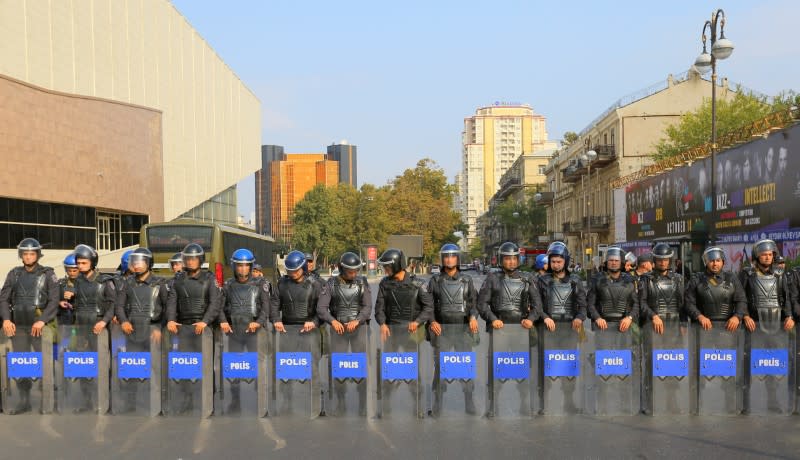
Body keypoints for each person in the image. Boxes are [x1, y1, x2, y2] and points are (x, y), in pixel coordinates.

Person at [0, 238, 60, 414]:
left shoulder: (48, 274)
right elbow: (3, 298)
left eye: (32, 253)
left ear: (38, 255)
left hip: (40, 326)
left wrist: (42, 320)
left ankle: (48, 400)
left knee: (45, 363)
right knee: (22, 364)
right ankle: (24, 400)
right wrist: (6, 319)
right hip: (19, 326)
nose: (28, 257)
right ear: (21, 255)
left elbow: (54, 300)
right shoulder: (14, 274)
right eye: (25, 254)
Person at [478, 242, 539, 414]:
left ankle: (524, 403)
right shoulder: (492, 278)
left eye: (514, 258)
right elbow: (482, 304)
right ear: (501, 259)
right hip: (500, 330)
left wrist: (531, 319)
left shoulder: (528, 279)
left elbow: (537, 305)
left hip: (521, 330)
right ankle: (493, 404)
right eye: (507, 258)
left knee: (522, 367)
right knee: (496, 367)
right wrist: (492, 319)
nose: (511, 262)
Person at [166, 243, 227, 414]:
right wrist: (171, 320)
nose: (191, 262)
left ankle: (209, 400)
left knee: (206, 365)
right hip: (184, 329)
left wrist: (205, 321)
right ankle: (188, 399)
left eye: (194, 259)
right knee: (186, 364)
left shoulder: (210, 279)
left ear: (200, 260)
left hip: (204, 329)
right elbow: (172, 301)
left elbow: (215, 303)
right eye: (188, 259)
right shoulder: (178, 280)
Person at [374, 248, 433, 415]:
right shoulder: (385, 284)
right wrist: (382, 323)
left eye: (387, 266)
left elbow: (428, 307)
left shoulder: (418, 284)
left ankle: (418, 405)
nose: (385, 269)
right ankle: (385, 405)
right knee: (389, 370)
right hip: (391, 333)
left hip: (411, 333)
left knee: (412, 370)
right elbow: (380, 308)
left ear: (397, 265)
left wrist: (417, 321)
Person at [316, 252, 372, 416]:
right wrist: (333, 321)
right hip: (338, 329)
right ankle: (340, 401)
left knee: (360, 367)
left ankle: (363, 402)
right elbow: (321, 308)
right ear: (342, 269)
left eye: (356, 271)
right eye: (350, 271)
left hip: (358, 329)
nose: (353, 274)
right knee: (339, 367)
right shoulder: (331, 284)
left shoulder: (362, 283)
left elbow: (367, 307)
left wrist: (358, 320)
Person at [114, 248, 168, 412]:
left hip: (153, 332)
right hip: (133, 332)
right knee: (132, 368)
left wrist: (160, 328)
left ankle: (158, 402)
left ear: (148, 263)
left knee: (156, 368)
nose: (136, 265)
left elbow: (169, 309)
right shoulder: (127, 283)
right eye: (134, 262)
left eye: (140, 262)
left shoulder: (160, 283)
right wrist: (123, 321)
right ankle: (131, 402)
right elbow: (119, 306)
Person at [427, 243, 479, 415]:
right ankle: (438, 402)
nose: (449, 259)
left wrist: (473, 317)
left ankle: (469, 401)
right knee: (440, 367)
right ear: (442, 259)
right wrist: (432, 321)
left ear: (458, 258)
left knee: (465, 367)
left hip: (462, 330)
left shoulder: (467, 280)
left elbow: (474, 304)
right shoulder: (435, 281)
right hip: (442, 331)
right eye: (446, 256)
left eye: (453, 256)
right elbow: (428, 305)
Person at [270, 250, 324, 412]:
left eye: (296, 270)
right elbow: (274, 305)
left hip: (309, 331)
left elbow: (322, 309)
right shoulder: (282, 284)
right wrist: (276, 320)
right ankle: (287, 401)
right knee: (287, 368)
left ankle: (316, 403)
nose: (292, 273)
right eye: (290, 270)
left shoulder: (316, 284)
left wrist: (314, 322)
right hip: (288, 331)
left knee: (312, 368)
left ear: (304, 268)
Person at [219, 248, 270, 413]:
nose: (242, 269)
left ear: (251, 266)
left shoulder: (260, 284)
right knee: (235, 367)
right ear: (234, 266)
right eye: (239, 266)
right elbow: (219, 307)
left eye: (246, 266)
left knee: (258, 366)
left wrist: (259, 323)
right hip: (234, 333)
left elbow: (266, 308)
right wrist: (223, 322)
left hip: (254, 332)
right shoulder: (228, 285)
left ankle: (260, 399)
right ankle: (235, 400)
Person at [739, 240, 794, 334]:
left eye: (770, 254)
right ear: (757, 256)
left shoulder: (780, 273)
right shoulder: (747, 274)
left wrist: (789, 317)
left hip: (778, 323)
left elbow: (786, 298)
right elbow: (741, 298)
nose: (767, 257)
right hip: (753, 324)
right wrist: (746, 316)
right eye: (764, 254)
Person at [587, 247, 638, 333]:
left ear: (621, 262)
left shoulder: (630, 280)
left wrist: (629, 318)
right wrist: (597, 318)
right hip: (602, 326)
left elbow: (636, 304)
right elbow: (590, 303)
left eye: (616, 260)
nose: (613, 263)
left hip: (624, 325)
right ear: (606, 262)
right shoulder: (597, 279)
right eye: (611, 260)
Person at [58, 253, 80, 326]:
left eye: (74, 271)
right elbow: (53, 298)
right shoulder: (61, 283)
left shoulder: (86, 283)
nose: (72, 273)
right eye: (69, 271)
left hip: (80, 319)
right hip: (65, 319)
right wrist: (59, 302)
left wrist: (75, 294)